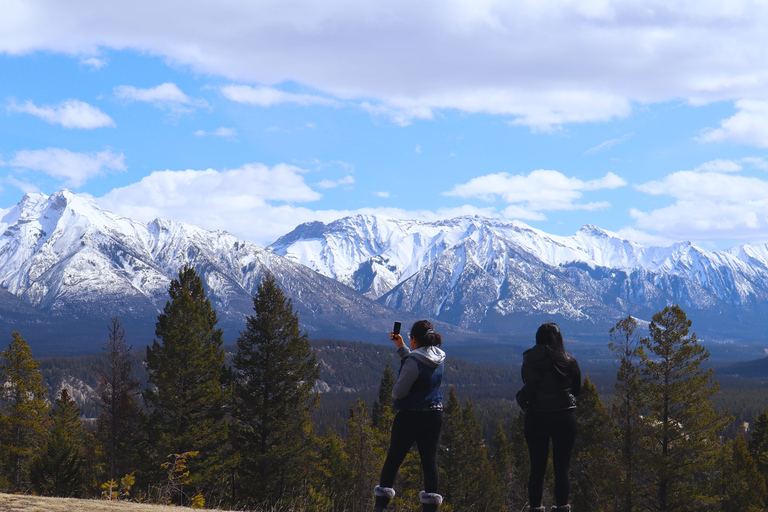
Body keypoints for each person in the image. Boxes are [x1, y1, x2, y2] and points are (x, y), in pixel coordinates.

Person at [374, 320, 446, 512]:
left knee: (394, 459)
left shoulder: (413, 361)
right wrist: (402, 347)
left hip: (410, 416)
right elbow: (419, 362)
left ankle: (380, 507)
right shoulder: (439, 357)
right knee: (429, 461)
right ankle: (430, 508)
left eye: (409, 339)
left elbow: (399, 391)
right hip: (435, 414)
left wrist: (394, 392)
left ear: (414, 339)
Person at [521, 322, 582, 512]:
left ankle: (535, 507)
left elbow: (526, 382)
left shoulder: (529, 360)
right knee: (561, 468)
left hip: (536, 417)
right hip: (564, 417)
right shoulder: (568, 361)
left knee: (536, 469)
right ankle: (562, 507)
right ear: (559, 339)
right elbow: (577, 390)